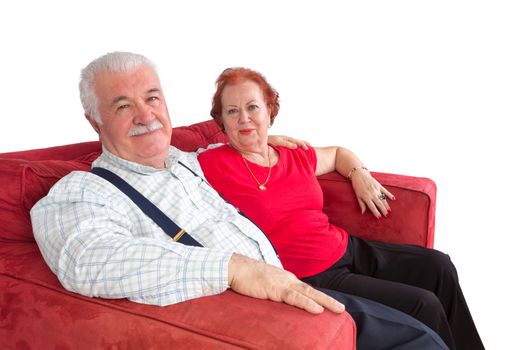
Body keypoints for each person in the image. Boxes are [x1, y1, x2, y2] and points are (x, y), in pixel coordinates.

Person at [31, 51, 448, 349]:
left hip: (291, 282)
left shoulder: (187, 161)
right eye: (123, 105)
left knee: (432, 290)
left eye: (152, 98)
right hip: (264, 309)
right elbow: (88, 259)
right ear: (95, 120)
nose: (146, 115)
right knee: (419, 335)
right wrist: (233, 268)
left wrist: (270, 146)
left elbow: (241, 146)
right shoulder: (80, 192)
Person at [198, 67, 485, 350]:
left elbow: (338, 154)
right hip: (312, 275)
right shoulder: (212, 164)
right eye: (233, 111)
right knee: (425, 305)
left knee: (440, 267)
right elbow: (167, 156)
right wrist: (248, 140)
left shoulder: (294, 153)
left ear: (269, 111)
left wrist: (359, 173)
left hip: (347, 248)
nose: (245, 118)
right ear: (221, 121)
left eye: (252, 107)